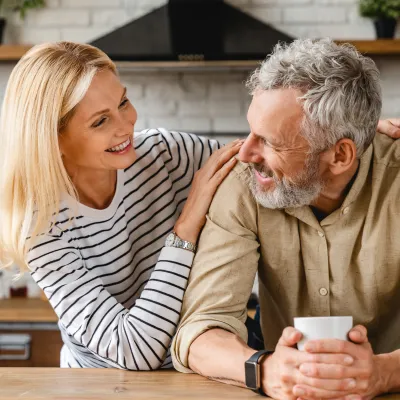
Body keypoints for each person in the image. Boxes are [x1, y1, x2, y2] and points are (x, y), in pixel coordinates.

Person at [171, 39, 400, 399]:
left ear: (340, 155)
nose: (246, 152)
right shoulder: (243, 183)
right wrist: (263, 370)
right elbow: (199, 333)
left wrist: (385, 373)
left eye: (270, 142)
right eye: (250, 131)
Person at [0, 42, 243, 369]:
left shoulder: (165, 154)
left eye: (123, 103)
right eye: (100, 121)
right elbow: (134, 350)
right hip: (98, 386)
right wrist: (185, 228)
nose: (126, 126)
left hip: (191, 373)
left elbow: (257, 170)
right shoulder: (41, 227)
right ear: (53, 140)